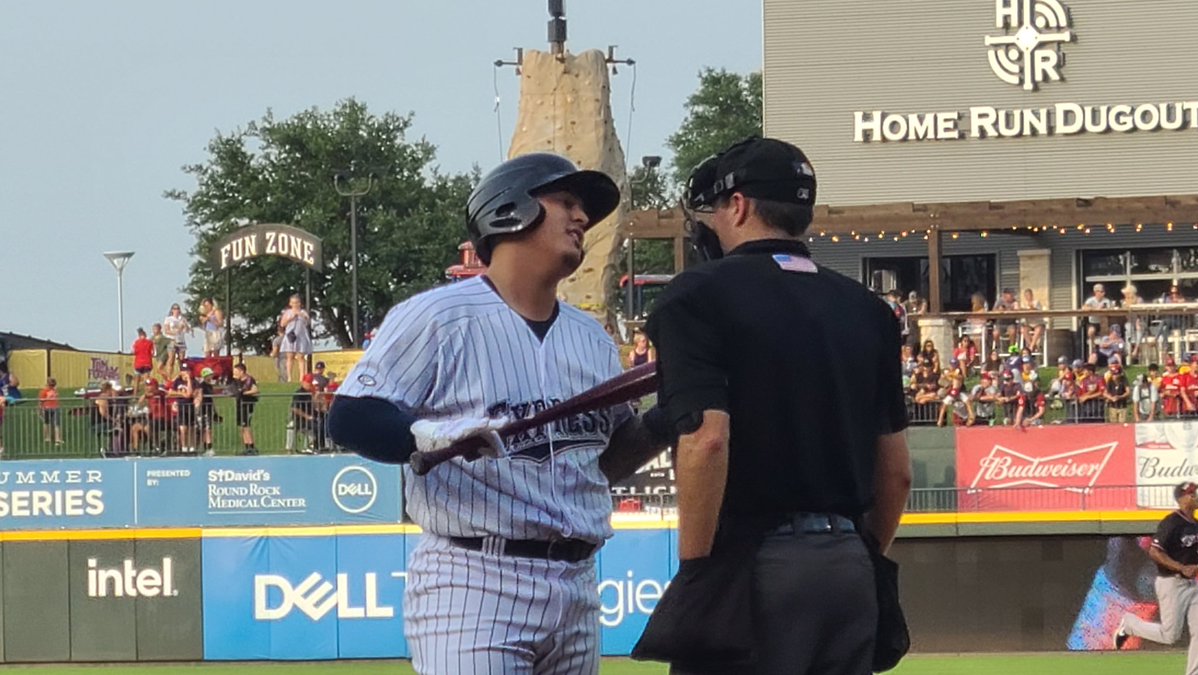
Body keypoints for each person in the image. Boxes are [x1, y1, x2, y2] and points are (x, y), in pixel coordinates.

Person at [327, 152, 670, 674]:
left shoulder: (592, 340)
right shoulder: (438, 317)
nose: (582, 219)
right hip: (474, 577)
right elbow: (350, 416)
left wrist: (668, 418)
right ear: (509, 210)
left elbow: (604, 462)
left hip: (576, 582)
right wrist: (424, 435)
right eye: (567, 202)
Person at [640, 137, 911, 674]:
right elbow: (897, 473)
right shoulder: (867, 309)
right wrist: (863, 553)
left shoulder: (696, 294)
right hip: (848, 566)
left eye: (715, 210)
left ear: (737, 205)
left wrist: (698, 570)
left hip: (752, 564)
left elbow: (707, 438)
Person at [1115, 482, 1198, 673]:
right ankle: (1130, 624)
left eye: (1195, 493)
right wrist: (1180, 567)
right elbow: (1154, 552)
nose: (1195, 497)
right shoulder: (1171, 522)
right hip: (1171, 583)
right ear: (1181, 499)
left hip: (1193, 586)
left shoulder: (1196, 525)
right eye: (1191, 494)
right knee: (1170, 635)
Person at [279, 294, 313, 383]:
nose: (295, 304)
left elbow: (307, 321)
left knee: (301, 357)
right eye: (293, 303)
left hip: (301, 337)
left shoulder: (303, 312)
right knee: (290, 357)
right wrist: (291, 318)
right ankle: (289, 378)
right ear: (290, 303)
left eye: (297, 302)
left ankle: (301, 377)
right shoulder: (287, 312)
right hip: (291, 336)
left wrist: (301, 315)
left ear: (300, 303)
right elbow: (282, 324)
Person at [232, 363, 259, 455]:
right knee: (243, 427)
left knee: (246, 426)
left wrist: (244, 393)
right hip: (240, 405)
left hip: (247, 405)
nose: (234, 373)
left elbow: (255, 390)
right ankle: (246, 446)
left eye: (236, 371)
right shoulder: (237, 381)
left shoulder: (249, 380)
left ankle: (251, 447)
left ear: (241, 371)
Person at [194, 367, 219, 456]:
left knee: (207, 429)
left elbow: (211, 399)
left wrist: (215, 412)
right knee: (204, 429)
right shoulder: (201, 385)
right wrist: (197, 409)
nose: (211, 377)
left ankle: (207, 448)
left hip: (208, 409)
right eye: (210, 375)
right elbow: (198, 398)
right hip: (202, 409)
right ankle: (206, 448)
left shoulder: (209, 386)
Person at [162, 303, 191, 376]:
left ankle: (182, 375)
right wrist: (175, 332)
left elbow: (187, 329)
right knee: (171, 359)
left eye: (178, 309)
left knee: (181, 360)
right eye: (174, 309)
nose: (176, 310)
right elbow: (166, 330)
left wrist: (185, 325)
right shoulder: (168, 319)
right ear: (172, 310)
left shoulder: (182, 319)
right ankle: (169, 376)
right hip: (172, 340)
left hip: (181, 340)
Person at [1083, 283, 1113, 353]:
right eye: (1101, 292)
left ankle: (1105, 348)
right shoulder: (1091, 300)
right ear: (1096, 292)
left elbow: (1110, 309)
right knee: (1091, 331)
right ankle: (1093, 347)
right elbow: (1084, 307)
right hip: (1093, 322)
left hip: (1103, 323)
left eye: (1103, 291)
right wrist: (1096, 308)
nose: (1103, 293)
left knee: (1108, 328)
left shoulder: (1106, 300)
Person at [1104, 357, 1132, 424]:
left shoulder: (1123, 380)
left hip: (1122, 406)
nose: (1115, 376)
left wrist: (1120, 397)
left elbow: (1128, 392)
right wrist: (1111, 398)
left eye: (1116, 374)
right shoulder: (1110, 381)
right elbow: (1105, 393)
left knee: (1122, 423)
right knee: (1113, 424)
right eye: (1113, 374)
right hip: (1113, 406)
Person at [993, 288, 1020, 353]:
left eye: (1012, 294)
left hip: (1010, 323)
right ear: (1005, 295)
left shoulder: (1015, 302)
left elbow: (1018, 313)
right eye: (1010, 294)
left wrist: (1015, 309)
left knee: (1012, 332)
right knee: (995, 334)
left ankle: (1012, 349)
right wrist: (999, 310)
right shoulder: (999, 301)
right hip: (1000, 323)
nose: (1012, 296)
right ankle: (998, 348)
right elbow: (993, 311)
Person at [1020, 288, 1046, 353]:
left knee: (1039, 329)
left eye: (1029, 295)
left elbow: (1035, 310)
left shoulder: (1036, 302)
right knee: (1023, 330)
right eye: (1026, 295)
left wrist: (1030, 308)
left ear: (1032, 295)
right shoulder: (1023, 304)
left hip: (1037, 323)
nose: (1028, 297)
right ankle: (1032, 345)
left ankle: (1031, 347)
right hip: (1028, 323)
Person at [39, 378, 63, 446]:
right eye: (51, 385)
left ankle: (57, 439)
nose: (52, 386)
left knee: (55, 424)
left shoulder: (54, 391)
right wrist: (40, 409)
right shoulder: (44, 391)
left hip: (54, 408)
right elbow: (41, 401)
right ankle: (48, 437)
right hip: (47, 408)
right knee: (47, 423)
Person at [131, 327, 154, 396]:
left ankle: (135, 394)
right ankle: (146, 393)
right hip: (147, 363)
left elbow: (134, 352)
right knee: (146, 380)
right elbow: (153, 352)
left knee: (136, 380)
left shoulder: (136, 343)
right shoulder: (150, 342)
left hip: (138, 363)